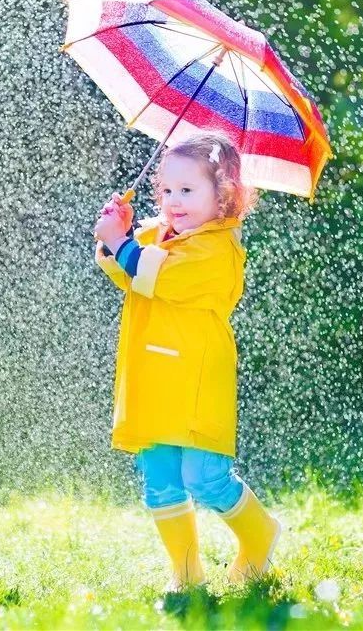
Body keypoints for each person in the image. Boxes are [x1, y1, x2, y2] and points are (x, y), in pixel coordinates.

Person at [92, 129, 280, 593]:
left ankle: (260, 536)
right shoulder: (162, 233)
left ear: (225, 195)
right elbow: (125, 271)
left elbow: (159, 277)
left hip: (196, 376)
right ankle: (186, 573)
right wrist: (113, 236)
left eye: (188, 190)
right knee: (159, 478)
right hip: (154, 374)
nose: (174, 201)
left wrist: (124, 245)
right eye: (168, 190)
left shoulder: (218, 248)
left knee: (205, 476)